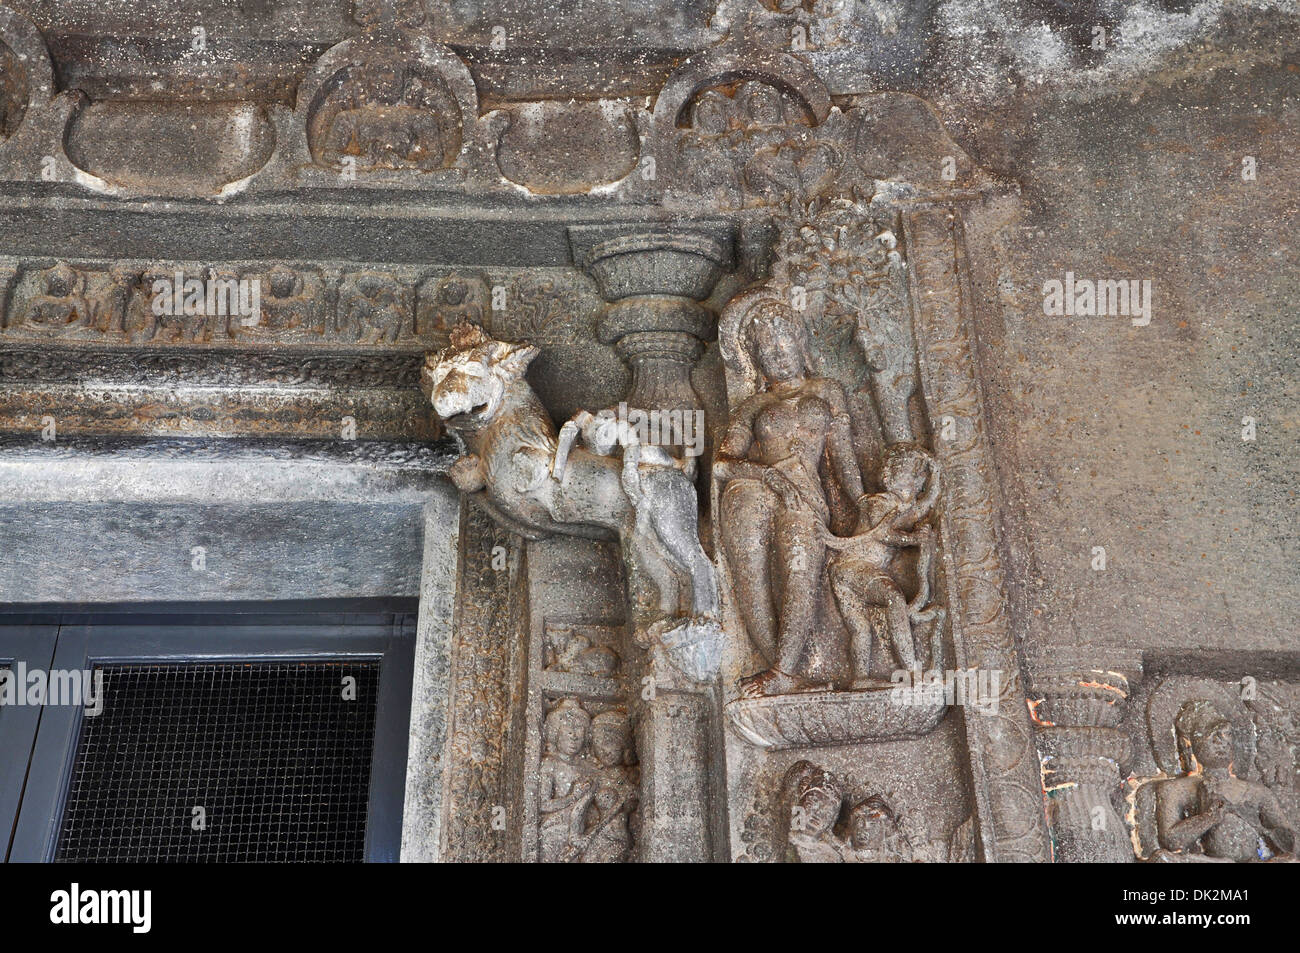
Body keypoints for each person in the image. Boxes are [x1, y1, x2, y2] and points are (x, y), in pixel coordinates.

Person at [716, 299, 866, 696]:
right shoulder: (753, 405)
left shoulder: (826, 390)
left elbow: (843, 456)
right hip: (756, 489)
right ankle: (772, 658)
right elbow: (722, 464)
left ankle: (784, 670)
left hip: (805, 496)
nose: (778, 356)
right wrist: (765, 473)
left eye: (784, 345)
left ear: (800, 344)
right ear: (756, 360)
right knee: (753, 565)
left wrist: (862, 501)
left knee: (800, 552)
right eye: (767, 351)